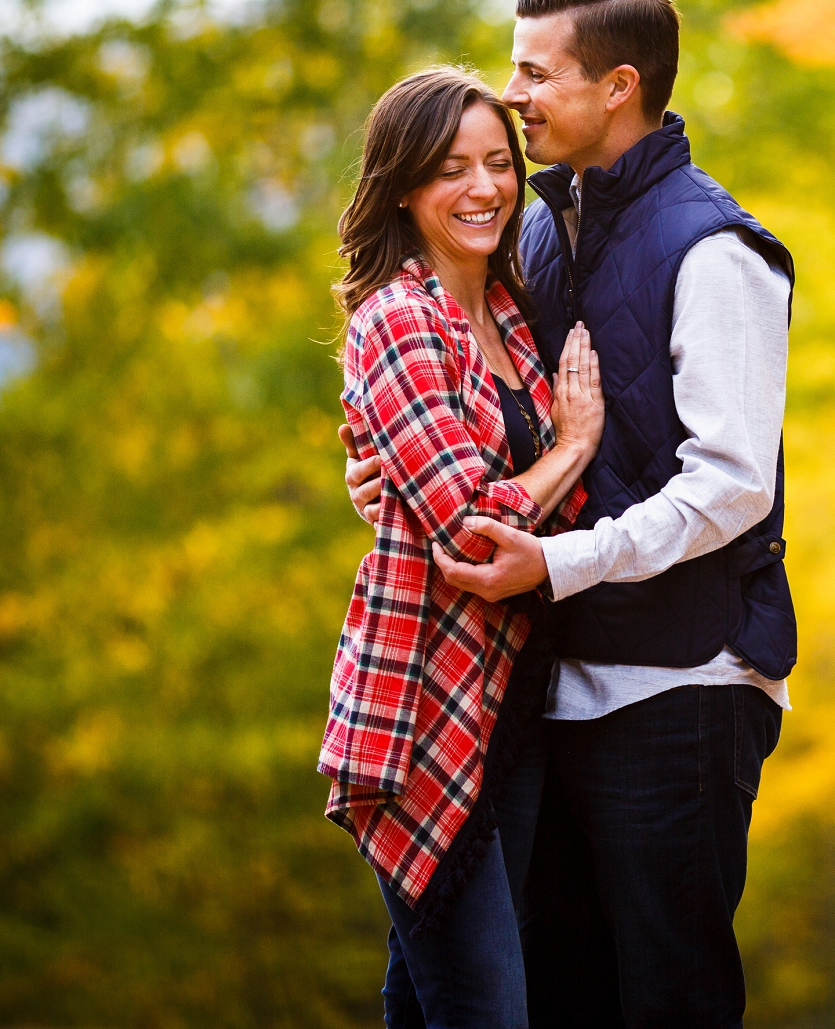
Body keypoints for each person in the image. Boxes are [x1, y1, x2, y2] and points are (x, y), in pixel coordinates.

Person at [344, 0, 796, 1028]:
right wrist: (383, 473)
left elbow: (731, 486)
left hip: (683, 686)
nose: (517, 92)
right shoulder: (536, 236)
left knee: (667, 998)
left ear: (618, 85)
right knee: (561, 1002)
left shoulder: (716, 250)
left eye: (536, 72)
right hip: (544, 693)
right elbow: (461, 417)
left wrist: (559, 559)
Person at [322, 65, 604, 1029]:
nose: (484, 187)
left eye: (498, 163)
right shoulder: (398, 322)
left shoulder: (512, 319)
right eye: (452, 168)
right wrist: (568, 448)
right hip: (421, 707)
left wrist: (544, 484)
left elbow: (529, 521)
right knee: (486, 1009)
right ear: (403, 185)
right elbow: (471, 528)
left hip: (506, 701)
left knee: (430, 997)